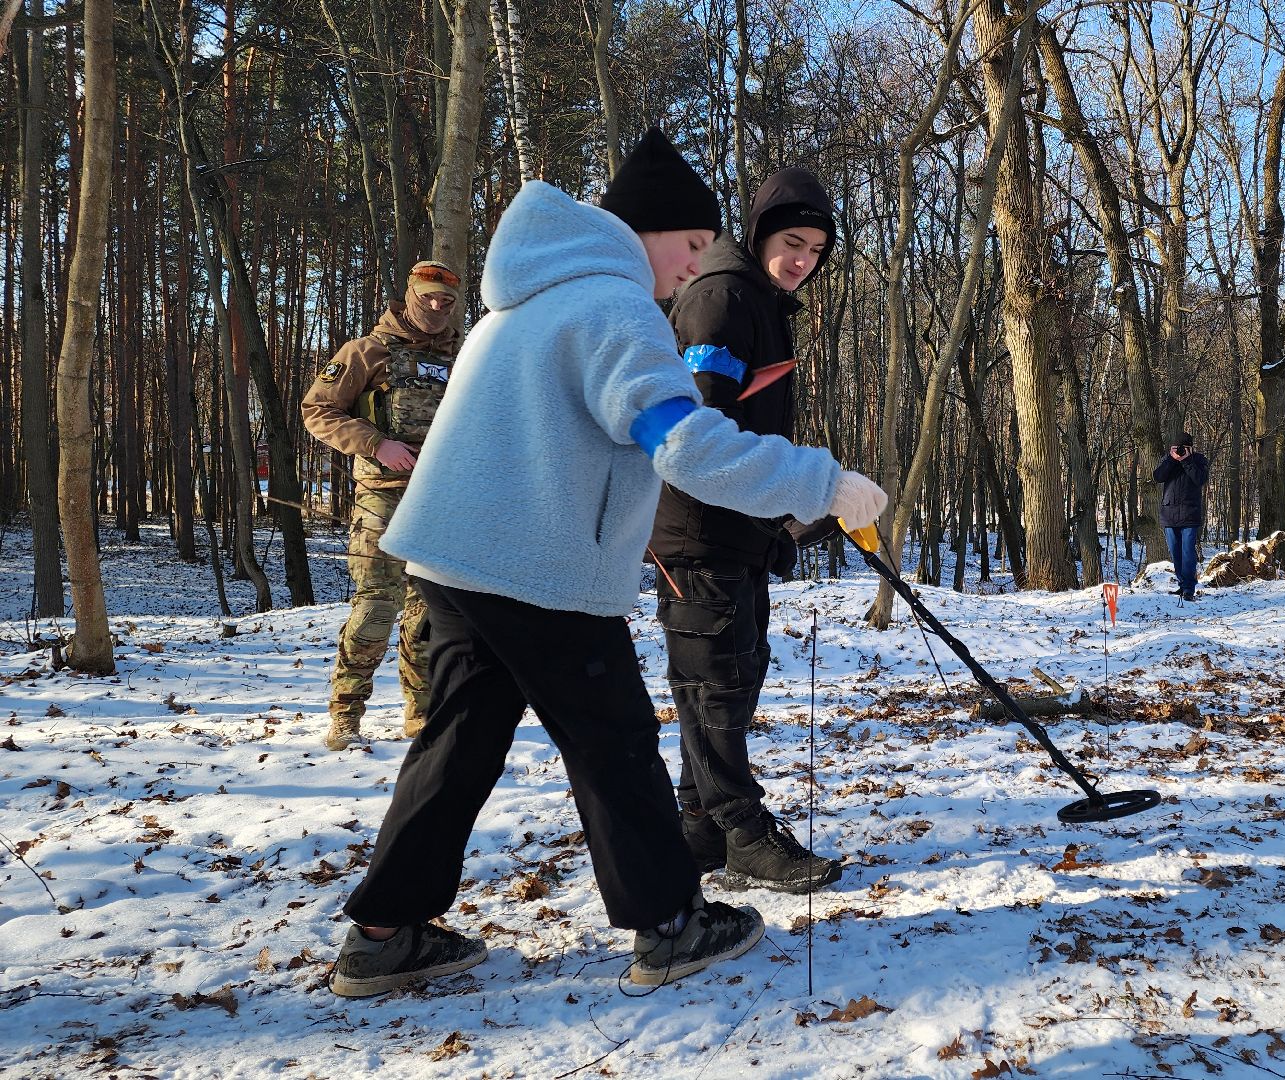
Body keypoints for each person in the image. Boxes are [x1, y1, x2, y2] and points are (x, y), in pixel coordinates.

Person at [326, 129, 888, 999]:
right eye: (690, 244)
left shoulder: (523, 301)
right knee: (614, 740)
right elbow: (684, 444)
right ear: (643, 231)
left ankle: (382, 933)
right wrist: (819, 482)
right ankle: (670, 923)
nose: (695, 264)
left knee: (459, 740)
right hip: (535, 561)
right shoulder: (613, 307)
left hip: (456, 556)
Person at [649, 166, 843, 894]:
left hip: (737, 526)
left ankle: (699, 827)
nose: (803, 261)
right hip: (697, 527)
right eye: (793, 243)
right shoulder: (722, 299)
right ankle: (744, 834)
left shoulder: (757, 300)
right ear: (761, 233)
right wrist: (797, 484)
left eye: (816, 250)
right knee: (716, 686)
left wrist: (784, 512)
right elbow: (700, 435)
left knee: (729, 678)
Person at [302, 260, 463, 751]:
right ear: (409, 296)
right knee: (377, 605)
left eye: (446, 301)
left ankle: (423, 715)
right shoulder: (367, 351)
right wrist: (377, 444)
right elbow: (317, 409)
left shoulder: (463, 358)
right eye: (428, 297)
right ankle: (345, 715)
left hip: (441, 499)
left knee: (429, 610)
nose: (436, 306)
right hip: (383, 495)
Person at [1154, 431, 1209, 601]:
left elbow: (1200, 479)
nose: (1179, 451)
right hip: (1169, 513)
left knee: (1187, 552)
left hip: (1190, 513)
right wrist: (1171, 460)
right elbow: (1158, 476)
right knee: (1176, 552)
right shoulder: (1168, 460)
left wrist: (1186, 460)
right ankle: (1182, 584)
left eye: (1183, 448)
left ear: (1191, 448)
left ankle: (1189, 588)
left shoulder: (1198, 460)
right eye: (1176, 448)